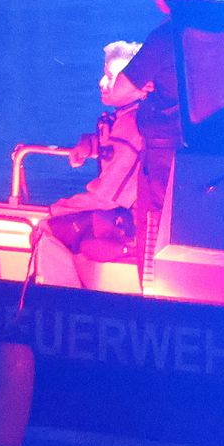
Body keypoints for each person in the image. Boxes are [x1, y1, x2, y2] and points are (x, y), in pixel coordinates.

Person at [33, 38, 178, 288]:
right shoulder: (126, 120)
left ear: (141, 86)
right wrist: (89, 144)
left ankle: (60, 300)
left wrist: (60, 209)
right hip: (124, 216)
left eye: (112, 77)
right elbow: (113, 149)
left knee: (45, 229)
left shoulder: (132, 127)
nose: (102, 83)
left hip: (128, 222)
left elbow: (109, 196)